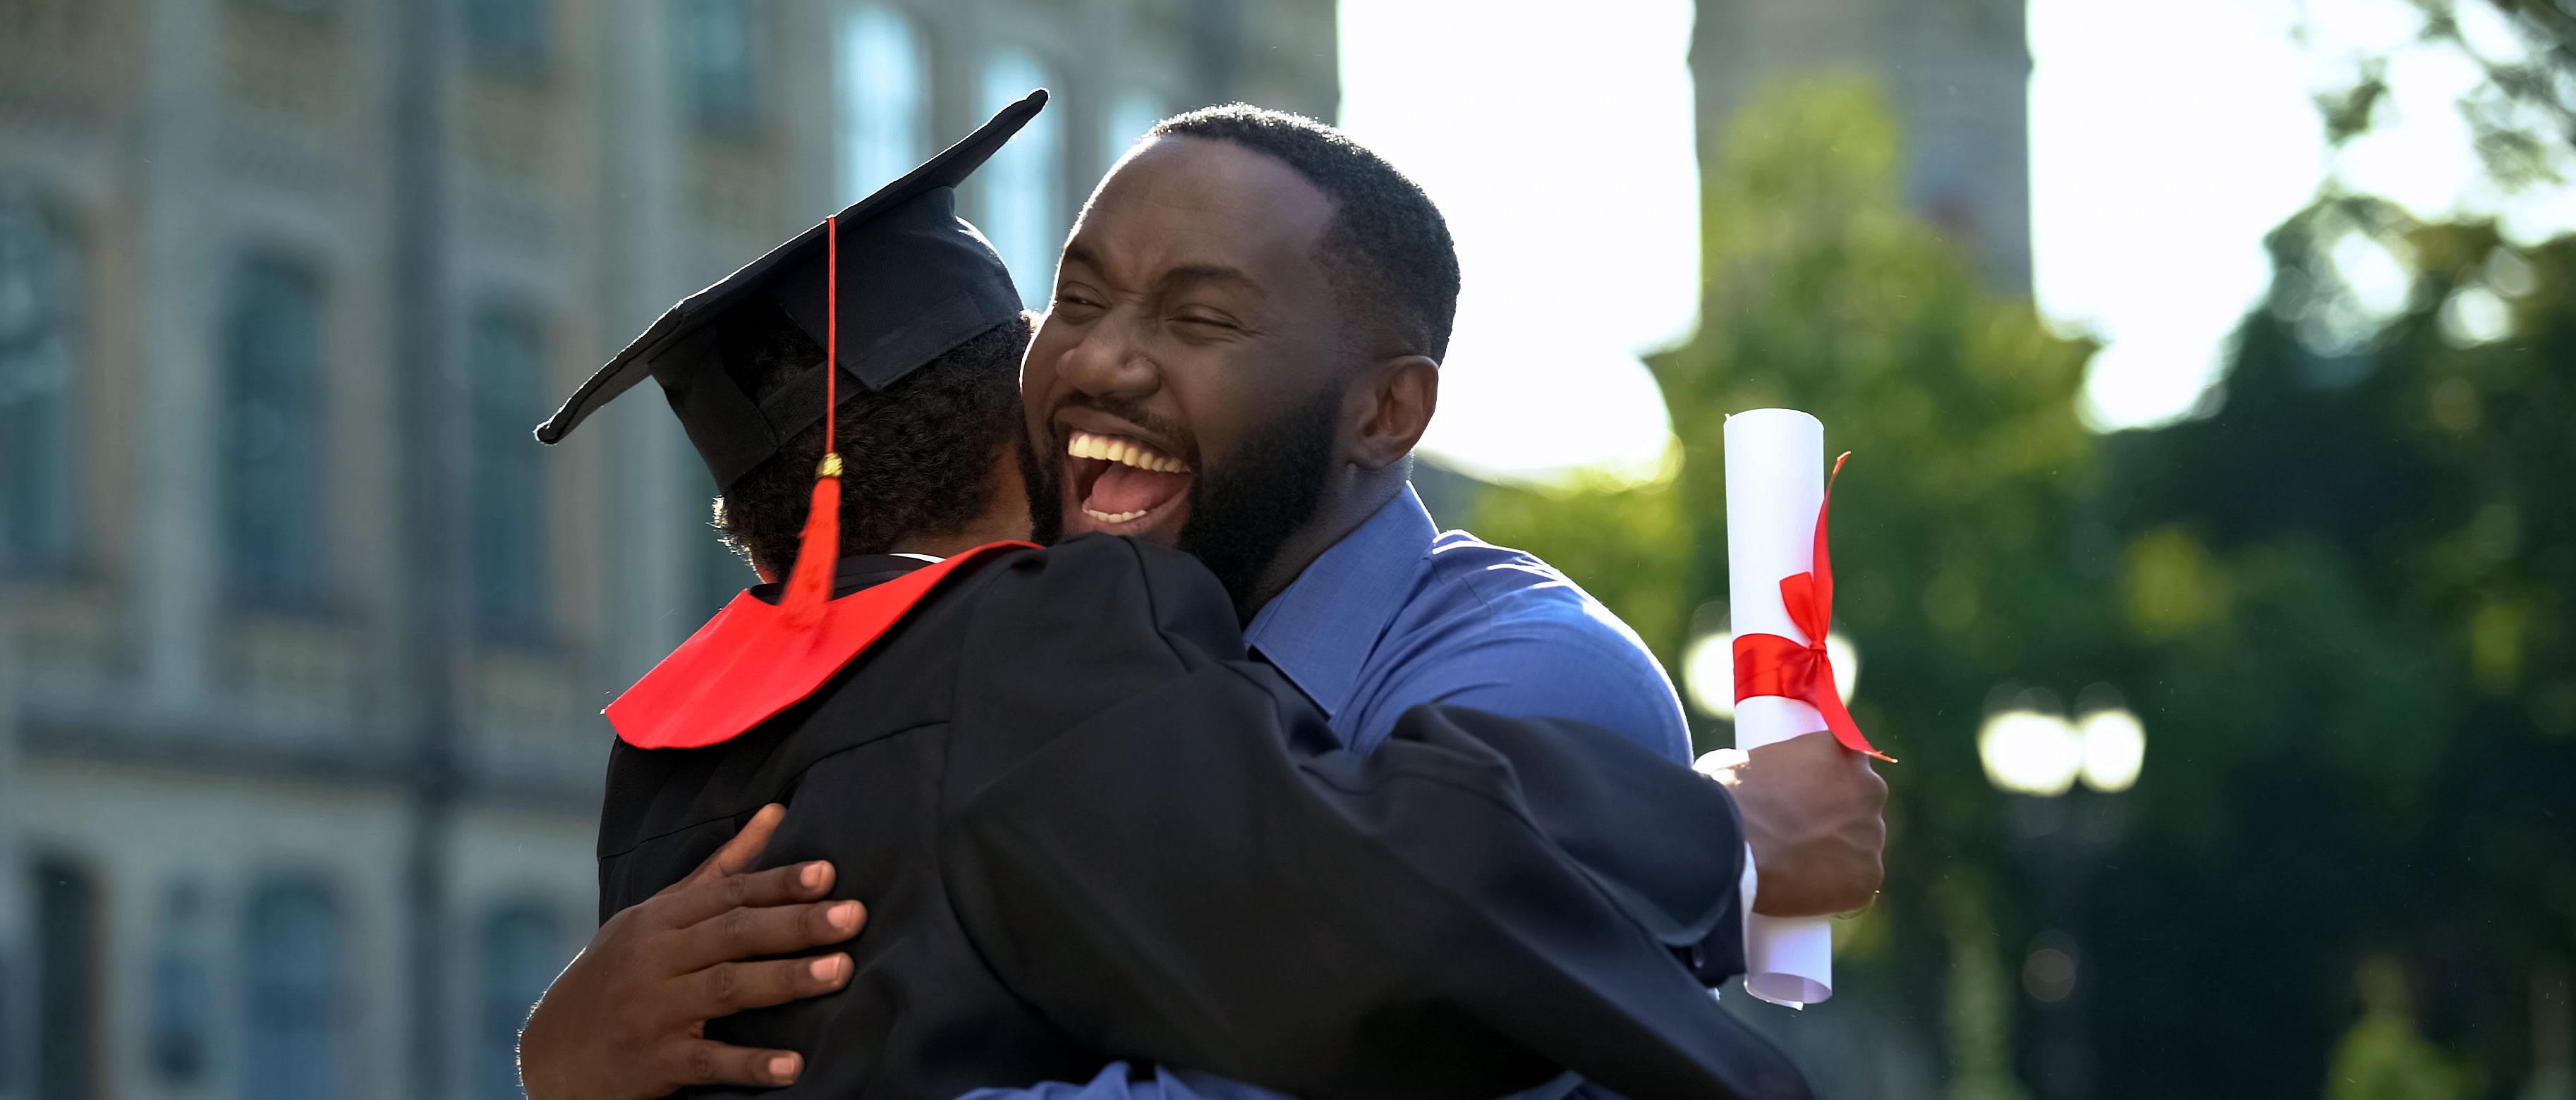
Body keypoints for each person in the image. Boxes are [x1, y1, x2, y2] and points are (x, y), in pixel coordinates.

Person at [522, 98, 1886, 1100]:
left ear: (1388, 409)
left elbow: (1403, 956)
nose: (1104, 362)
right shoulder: (1027, 655)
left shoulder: (1531, 681)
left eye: (1200, 317)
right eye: (1077, 300)